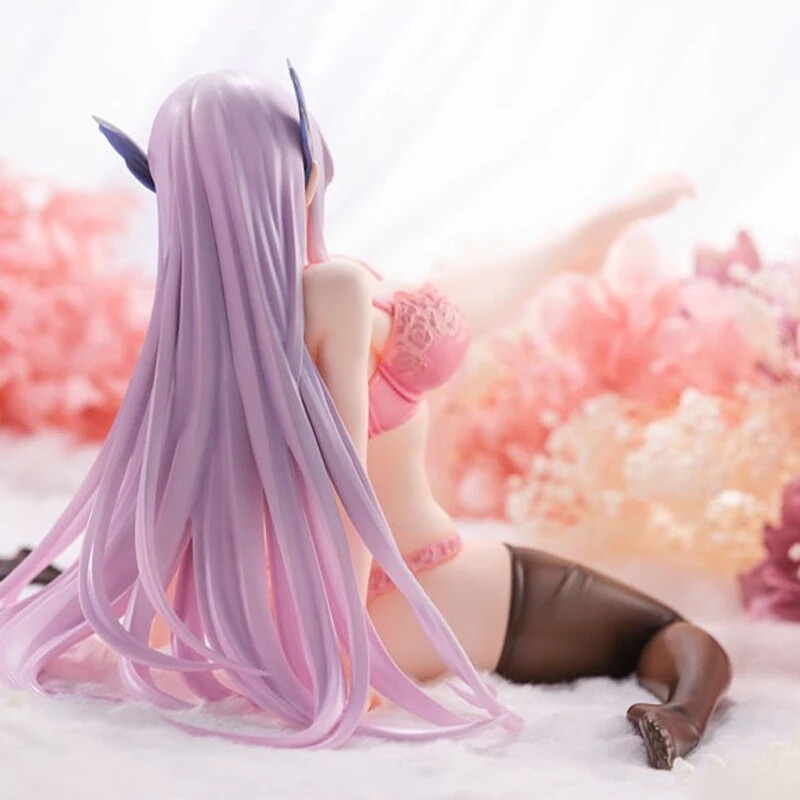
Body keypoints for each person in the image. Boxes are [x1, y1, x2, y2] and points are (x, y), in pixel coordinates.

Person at [0, 67, 731, 768]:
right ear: (291, 168)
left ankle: (52, 578)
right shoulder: (336, 292)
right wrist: (341, 654)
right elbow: (339, 486)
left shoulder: (196, 328)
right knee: (665, 632)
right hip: (419, 581)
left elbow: (181, 495)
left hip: (282, 603)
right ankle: (682, 715)